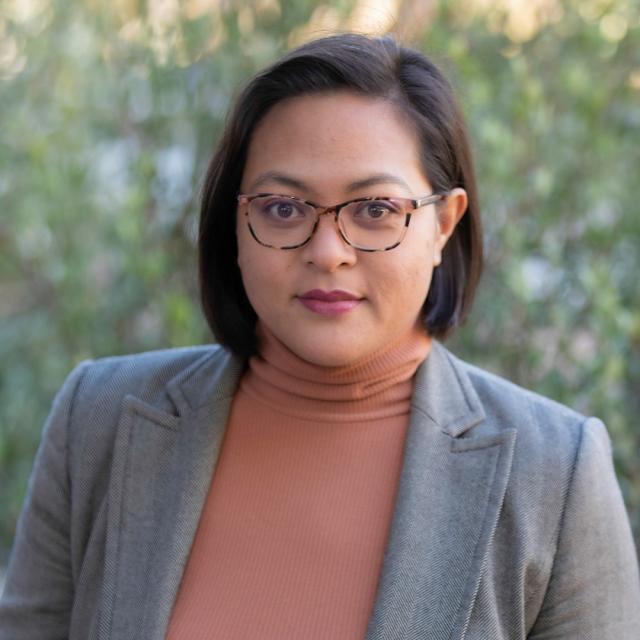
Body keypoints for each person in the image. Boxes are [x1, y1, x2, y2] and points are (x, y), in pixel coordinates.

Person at [0, 33, 638, 640]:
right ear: (236, 223)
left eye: (375, 209)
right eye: (283, 207)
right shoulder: (100, 419)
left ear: (444, 224)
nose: (328, 252)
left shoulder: (555, 472)